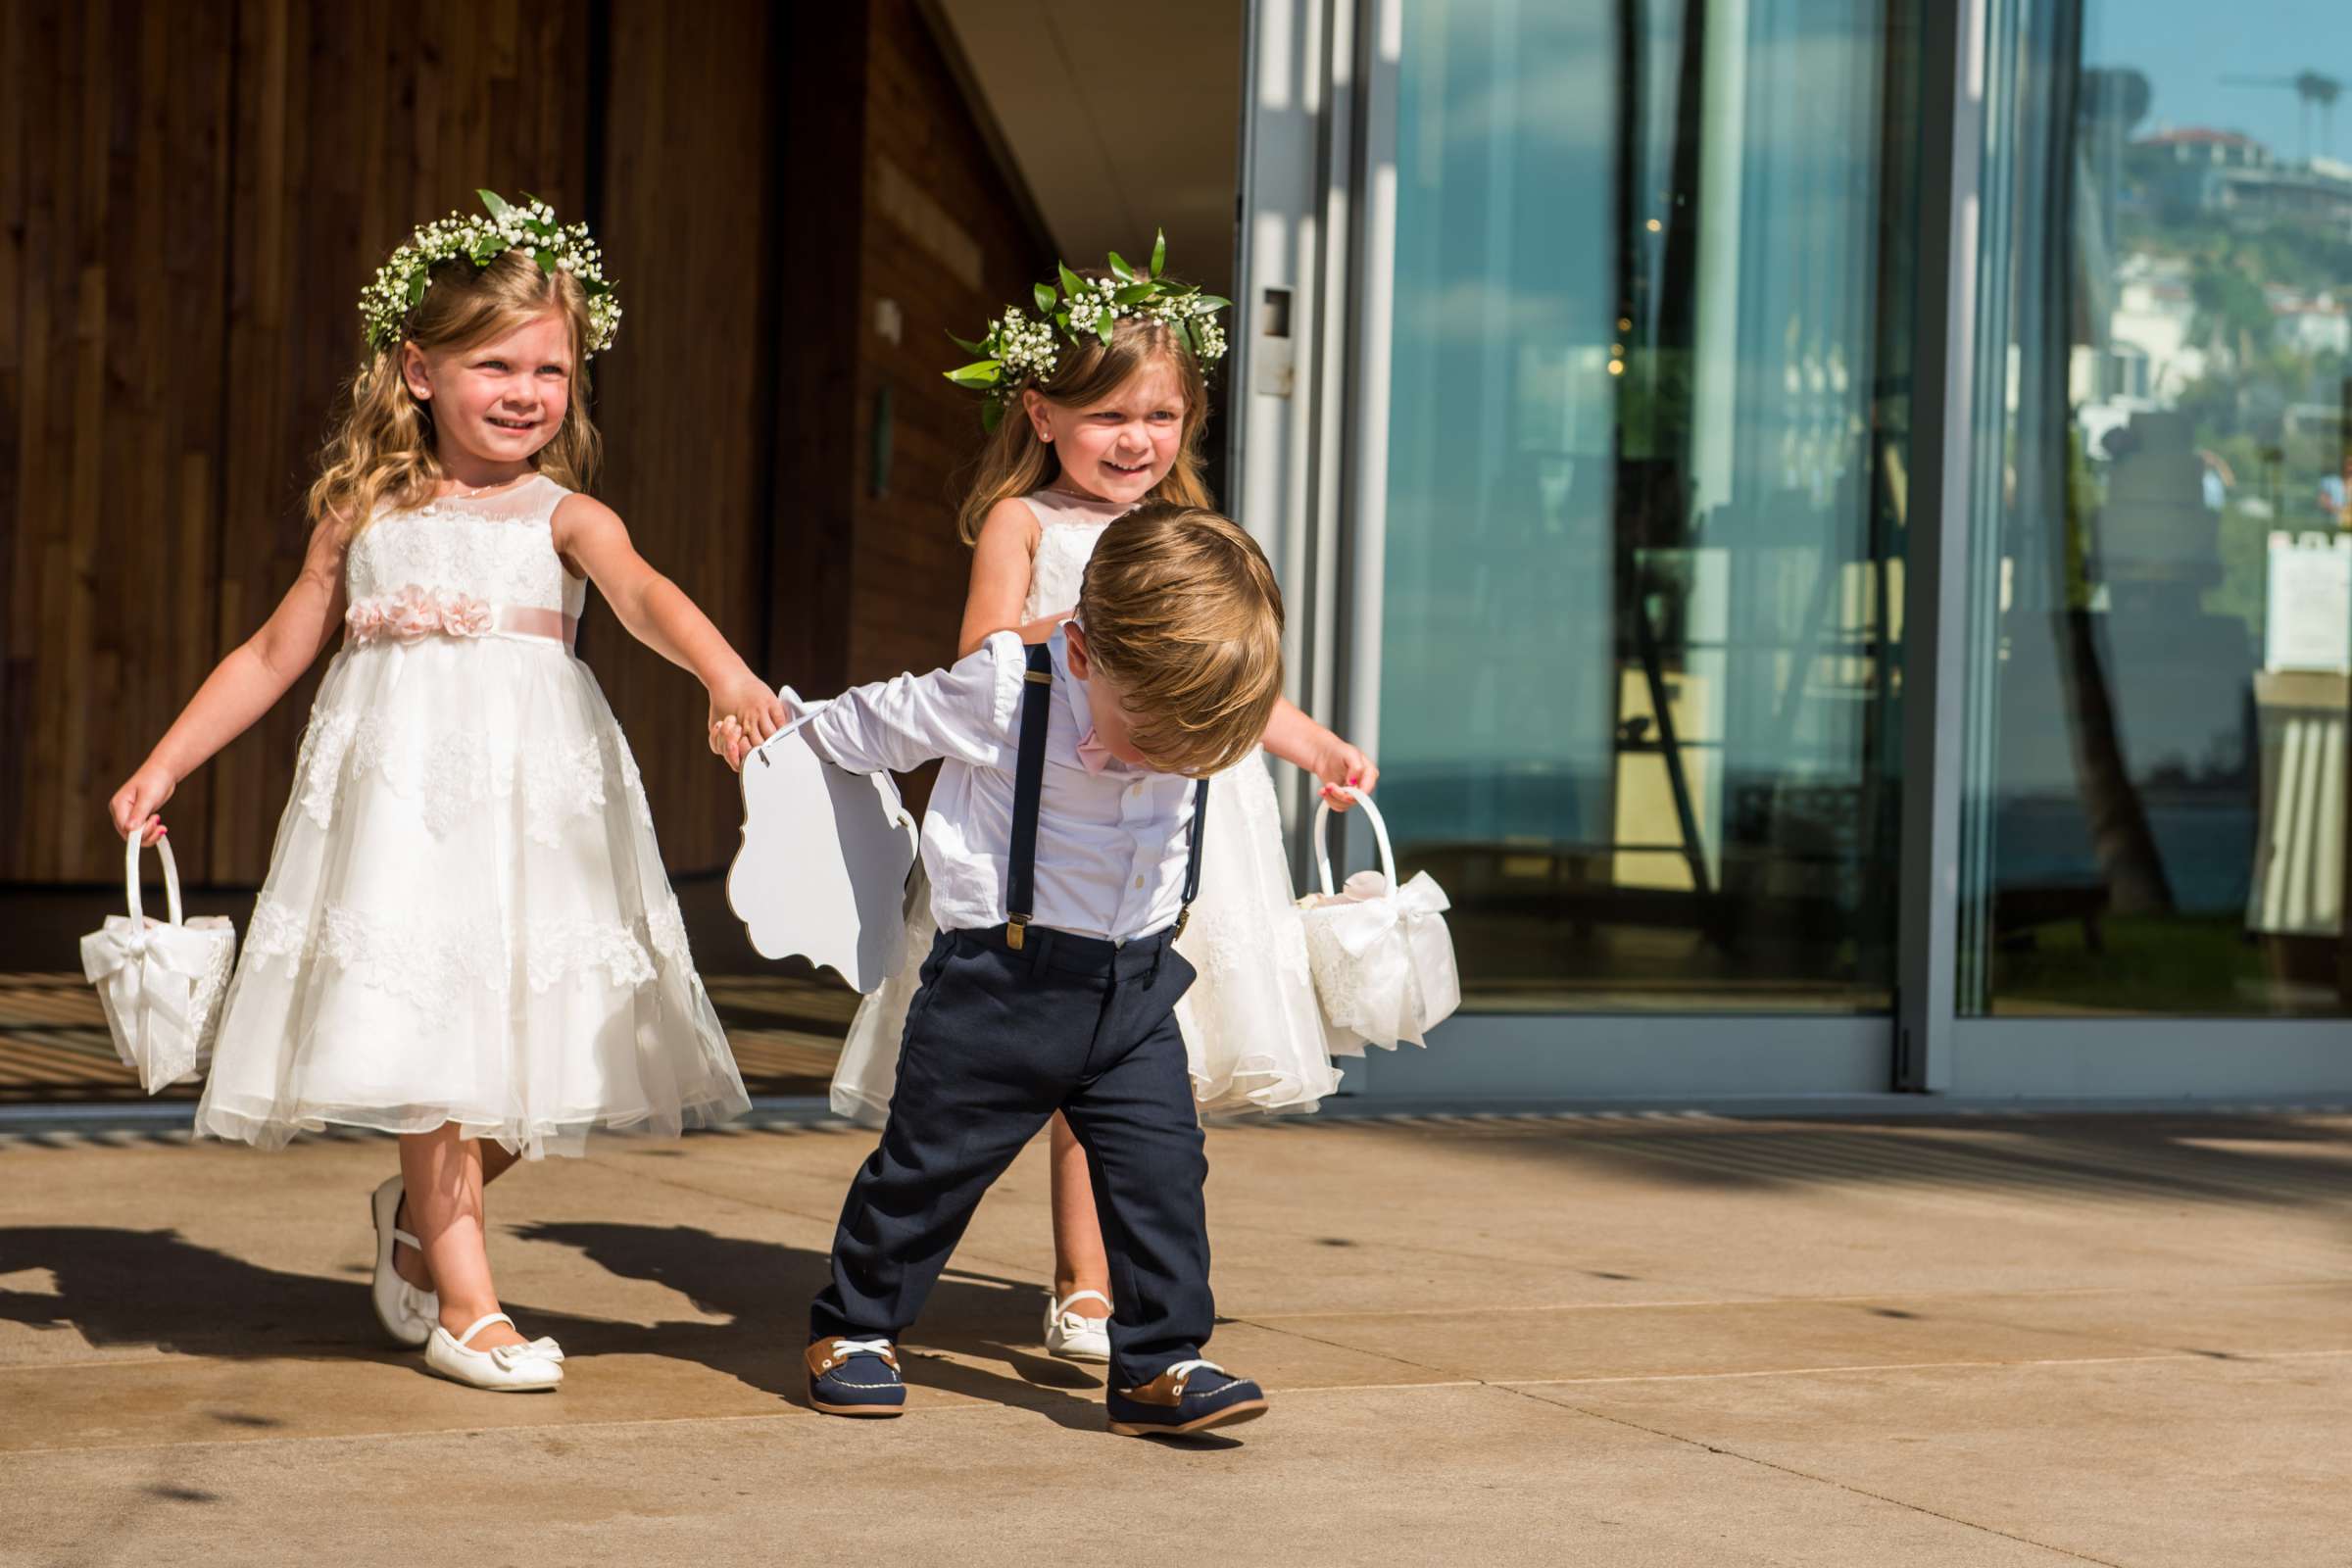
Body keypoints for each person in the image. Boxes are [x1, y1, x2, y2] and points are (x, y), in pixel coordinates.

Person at [107, 191, 773, 1392]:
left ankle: (415, 1220)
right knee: (432, 1038)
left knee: (564, 1045)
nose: (528, 391)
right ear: (417, 368)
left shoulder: (566, 514)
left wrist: (723, 672)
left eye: (552, 368)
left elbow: (644, 596)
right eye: (496, 364)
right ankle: (468, 1304)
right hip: (402, 811)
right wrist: (167, 759)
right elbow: (271, 653)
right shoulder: (359, 515)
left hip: (535, 816)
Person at [827, 240, 1377, 1363]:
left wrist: (1312, 741)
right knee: (996, 1093)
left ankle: (1096, 1288)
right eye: (1110, 415)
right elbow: (978, 651)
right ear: (1039, 411)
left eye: (1163, 417)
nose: (1137, 441)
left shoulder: (1190, 541)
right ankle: (928, 1301)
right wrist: (1082, 629)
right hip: (1046, 814)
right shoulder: (1024, 523)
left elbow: (1232, 680)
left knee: (1133, 1086)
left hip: (1171, 833)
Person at [778, 503, 1284, 1437]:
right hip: (999, 986)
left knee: (1163, 1175)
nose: (1170, 763)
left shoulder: (1186, 697)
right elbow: (865, 726)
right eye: (1154, 739)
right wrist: (778, 732)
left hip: (1134, 990)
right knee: (929, 1169)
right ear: (1087, 656)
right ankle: (854, 1327)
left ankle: (1159, 1361)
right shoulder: (1006, 689)